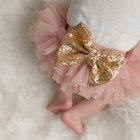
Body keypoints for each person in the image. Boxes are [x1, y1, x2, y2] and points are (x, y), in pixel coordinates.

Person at [28, 0, 140, 135]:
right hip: (107, 66)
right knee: (101, 99)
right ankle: (75, 114)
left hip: (74, 44)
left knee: (64, 70)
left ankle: (63, 97)